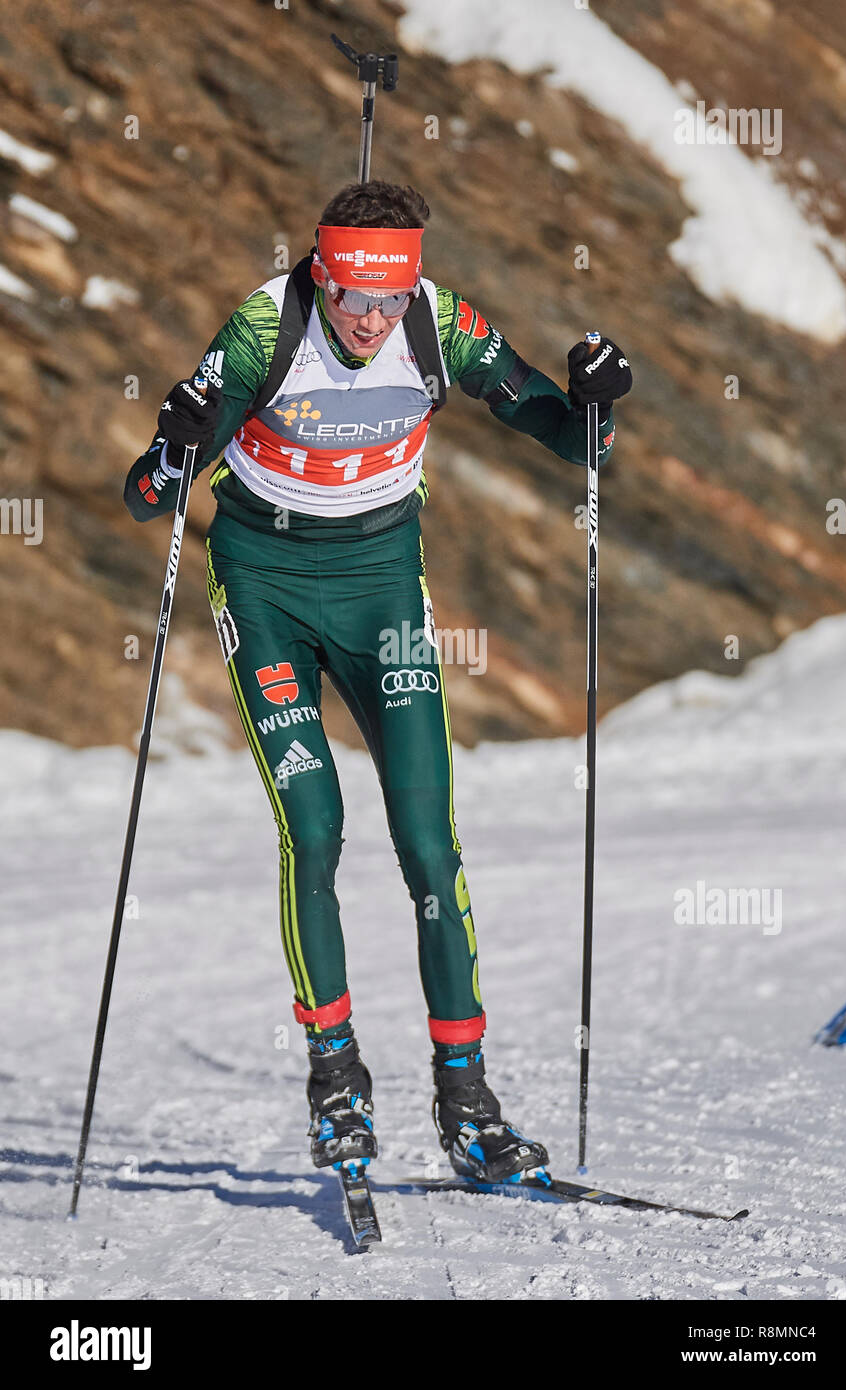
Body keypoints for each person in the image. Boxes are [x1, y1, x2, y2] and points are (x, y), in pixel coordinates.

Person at [124, 180, 632, 1184]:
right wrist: (172, 446)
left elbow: (572, 442)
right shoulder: (267, 324)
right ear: (321, 268)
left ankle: (466, 1097)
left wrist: (599, 403)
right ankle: (335, 1081)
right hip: (263, 582)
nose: (368, 318)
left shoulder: (437, 323)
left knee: (428, 843)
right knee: (313, 825)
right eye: (353, 294)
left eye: (386, 299)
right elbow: (148, 497)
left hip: (379, 586)